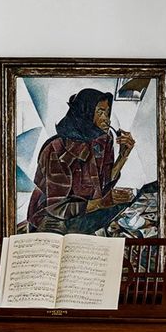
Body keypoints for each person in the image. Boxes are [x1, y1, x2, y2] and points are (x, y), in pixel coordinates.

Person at [25, 88, 134, 233]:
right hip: (51, 217)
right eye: (100, 112)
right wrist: (101, 203)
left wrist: (123, 156)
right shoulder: (57, 150)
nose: (106, 119)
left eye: (107, 112)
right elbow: (56, 207)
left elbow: (103, 184)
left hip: (86, 211)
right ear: (84, 114)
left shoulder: (103, 140)